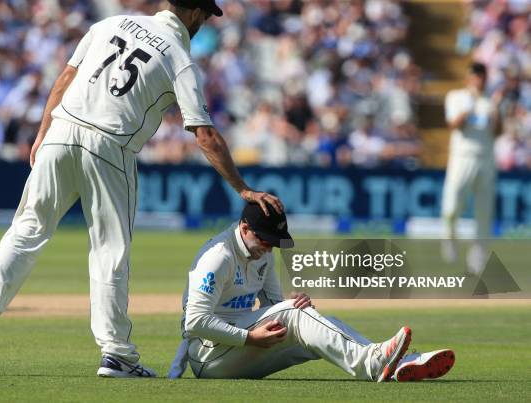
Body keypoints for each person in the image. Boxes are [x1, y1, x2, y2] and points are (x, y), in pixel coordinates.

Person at [0, 0, 284, 379]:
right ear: (192, 12)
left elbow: (64, 80)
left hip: (61, 131)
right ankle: (117, 354)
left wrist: (42, 134)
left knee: (26, 231)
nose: (203, 22)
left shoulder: (111, 23)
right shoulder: (179, 56)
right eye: (204, 14)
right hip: (110, 145)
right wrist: (242, 188)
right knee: (109, 251)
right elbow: (204, 134)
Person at [168, 202, 455, 381]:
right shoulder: (218, 257)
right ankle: (375, 360)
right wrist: (250, 336)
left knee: (308, 324)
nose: (270, 247)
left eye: (274, 241)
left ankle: (391, 364)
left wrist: (290, 307)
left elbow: (274, 307)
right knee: (297, 316)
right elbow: (194, 321)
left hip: (234, 350)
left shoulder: (262, 252)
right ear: (244, 228)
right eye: (266, 239)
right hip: (208, 357)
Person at [441, 62, 502, 274]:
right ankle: (449, 237)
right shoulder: (456, 96)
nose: (479, 80)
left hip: (485, 157)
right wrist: (471, 104)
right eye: (475, 76)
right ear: (468, 77)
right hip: (462, 156)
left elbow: (497, 132)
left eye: (482, 76)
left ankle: (478, 258)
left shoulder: (492, 101)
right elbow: (453, 125)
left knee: (484, 212)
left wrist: (496, 110)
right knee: (452, 205)